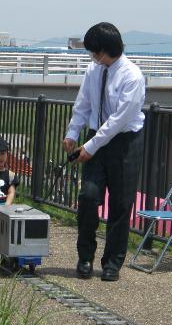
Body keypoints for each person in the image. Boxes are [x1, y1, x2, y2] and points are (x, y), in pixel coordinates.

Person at [62, 22, 145, 282]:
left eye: (95, 52)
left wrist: (91, 146)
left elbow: (119, 120)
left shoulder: (132, 76)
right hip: (94, 139)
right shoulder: (93, 70)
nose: (93, 57)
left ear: (107, 50)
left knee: (121, 204)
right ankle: (85, 256)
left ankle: (112, 262)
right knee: (89, 196)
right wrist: (73, 132)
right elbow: (84, 102)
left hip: (124, 142)